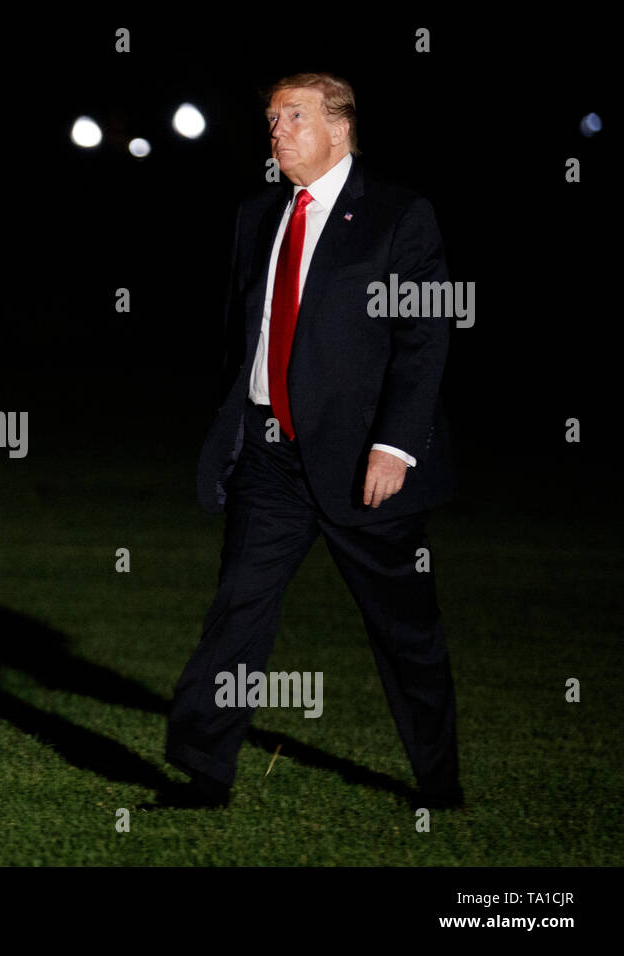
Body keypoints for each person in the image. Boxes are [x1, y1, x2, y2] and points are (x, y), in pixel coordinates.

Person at [165, 73, 463, 809]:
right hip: (271, 456)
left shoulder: (400, 214)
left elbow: (424, 338)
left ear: (340, 127)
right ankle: (204, 772)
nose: (276, 132)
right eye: (270, 119)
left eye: (293, 117)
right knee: (237, 607)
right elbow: (245, 332)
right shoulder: (257, 214)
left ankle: (438, 781)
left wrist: (395, 447)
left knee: (405, 631)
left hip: (365, 464)